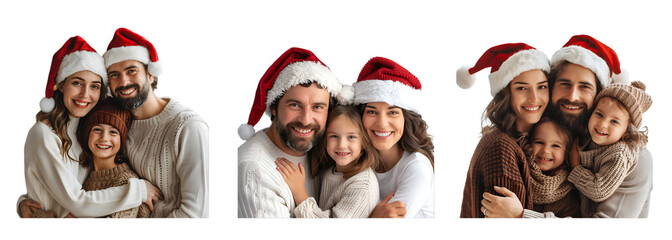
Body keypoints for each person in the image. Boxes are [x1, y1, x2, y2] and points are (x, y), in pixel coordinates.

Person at [483, 35, 653, 218]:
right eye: (564, 84)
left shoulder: (632, 160)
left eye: (584, 87)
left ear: (598, 94)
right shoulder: (542, 135)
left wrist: (521, 216)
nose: (573, 96)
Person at [20, 36, 159, 218]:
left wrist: (24, 201)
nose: (85, 95)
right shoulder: (43, 134)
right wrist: (139, 190)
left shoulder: (83, 131)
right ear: (61, 85)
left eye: (94, 86)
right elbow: (78, 203)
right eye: (77, 83)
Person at [101, 28, 209, 217]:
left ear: (150, 74)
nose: (123, 82)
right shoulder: (115, 126)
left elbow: (195, 214)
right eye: (114, 75)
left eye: (131, 71)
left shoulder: (188, 126)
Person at [238, 47, 350, 218]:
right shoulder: (255, 172)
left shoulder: (324, 150)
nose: (306, 120)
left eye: (318, 107)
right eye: (295, 105)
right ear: (274, 107)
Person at [456, 43, 550, 218]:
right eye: (522, 88)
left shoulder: (523, 142)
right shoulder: (502, 148)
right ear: (505, 93)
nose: (534, 98)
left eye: (542, 86)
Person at [352, 57, 434, 218]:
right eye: (371, 111)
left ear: (406, 118)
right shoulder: (355, 159)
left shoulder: (417, 167)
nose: (382, 124)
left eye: (393, 112)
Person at [275, 105, 379, 218]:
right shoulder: (331, 170)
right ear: (325, 139)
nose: (342, 145)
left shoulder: (362, 185)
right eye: (334, 136)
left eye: (351, 137)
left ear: (363, 141)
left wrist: (299, 193)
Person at [567, 81, 652, 217]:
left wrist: (576, 166)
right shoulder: (590, 138)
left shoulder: (620, 154)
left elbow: (599, 190)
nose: (602, 124)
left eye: (614, 121)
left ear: (627, 132)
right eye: (599, 114)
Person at [78, 99, 151, 218]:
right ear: (87, 134)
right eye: (97, 129)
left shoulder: (126, 181)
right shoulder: (85, 178)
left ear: (121, 140)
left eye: (113, 132)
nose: (104, 138)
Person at [518, 117, 581, 218]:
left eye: (555, 145)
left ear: (566, 152)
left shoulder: (570, 191)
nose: (546, 150)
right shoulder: (518, 171)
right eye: (539, 142)